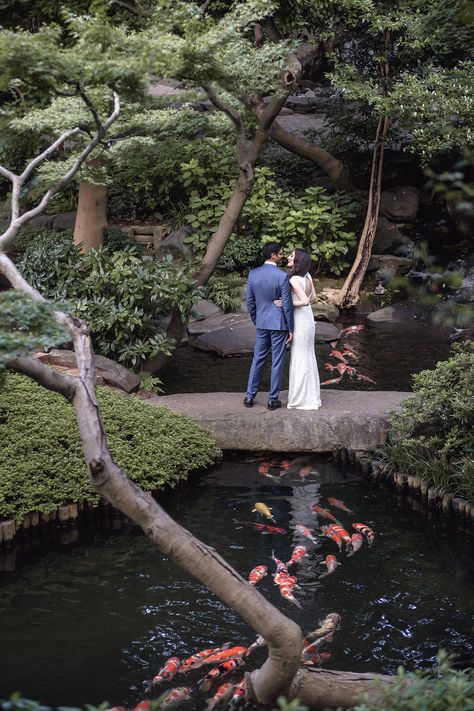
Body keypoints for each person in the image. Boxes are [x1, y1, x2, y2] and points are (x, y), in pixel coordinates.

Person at [244, 242, 294, 410]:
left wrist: (256, 319)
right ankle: (273, 400)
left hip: (262, 322)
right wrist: (290, 328)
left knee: (258, 358)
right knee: (277, 361)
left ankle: (249, 397)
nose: (282, 256)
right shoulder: (282, 276)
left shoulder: (253, 274)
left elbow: (250, 302)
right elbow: (286, 305)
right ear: (273, 255)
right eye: (280, 253)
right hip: (278, 323)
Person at [284, 249, 321, 410]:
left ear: (298, 260)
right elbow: (313, 298)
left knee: (299, 356)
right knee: (308, 355)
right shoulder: (308, 276)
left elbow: (305, 301)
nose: (288, 257)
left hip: (300, 319)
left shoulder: (293, 280)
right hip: (308, 318)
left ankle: (300, 399)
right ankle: (312, 397)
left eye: (291, 256)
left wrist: (287, 303)